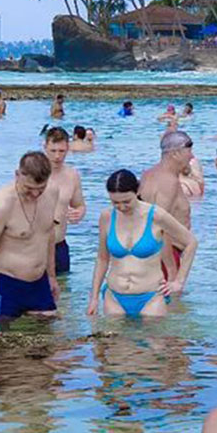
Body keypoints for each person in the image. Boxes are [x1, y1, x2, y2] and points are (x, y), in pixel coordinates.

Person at [86, 169, 197, 318]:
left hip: (151, 296)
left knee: (154, 339)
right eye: (115, 203)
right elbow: (102, 259)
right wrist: (93, 298)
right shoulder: (107, 217)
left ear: (136, 191)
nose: (122, 207)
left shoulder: (156, 215)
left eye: (126, 201)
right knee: (113, 341)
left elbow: (191, 242)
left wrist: (178, 281)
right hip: (114, 296)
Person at [0, 151, 61, 322]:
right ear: (17, 175)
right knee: (4, 345)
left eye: (40, 189)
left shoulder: (53, 192)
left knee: (48, 342)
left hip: (39, 285)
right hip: (6, 286)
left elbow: (48, 234)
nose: (35, 194)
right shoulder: (3, 204)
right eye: (29, 188)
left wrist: (52, 276)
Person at [141, 130, 195, 277]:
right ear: (175, 154)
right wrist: (171, 270)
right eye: (189, 151)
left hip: (149, 257)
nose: (192, 156)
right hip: (165, 257)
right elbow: (160, 227)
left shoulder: (148, 174)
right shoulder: (168, 182)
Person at [41, 127, 87, 276]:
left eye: (61, 151)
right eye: (53, 151)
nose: (57, 156)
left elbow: (79, 205)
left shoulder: (72, 175)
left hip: (59, 245)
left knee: (64, 295)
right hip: (34, 246)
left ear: (68, 148)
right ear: (45, 147)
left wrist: (79, 213)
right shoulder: (34, 173)